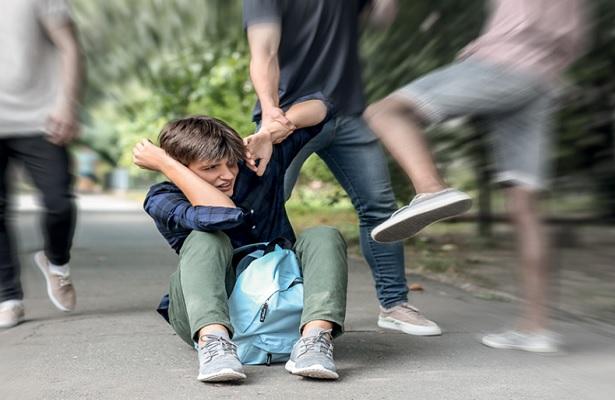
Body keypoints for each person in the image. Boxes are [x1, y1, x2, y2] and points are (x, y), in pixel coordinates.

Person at [364, 0, 588, 352]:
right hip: (542, 80)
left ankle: (431, 190)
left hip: (501, 62)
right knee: (525, 208)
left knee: (385, 112)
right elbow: (574, 39)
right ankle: (536, 328)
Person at [243, 0, 457, 337]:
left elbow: (382, 17)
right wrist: (270, 111)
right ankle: (257, 304)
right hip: (288, 117)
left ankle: (394, 304)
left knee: (379, 208)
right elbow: (263, 51)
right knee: (264, 207)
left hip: (347, 115)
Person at [133, 103, 348, 382]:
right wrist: (165, 162)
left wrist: (268, 134)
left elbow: (323, 109)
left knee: (324, 235)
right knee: (205, 238)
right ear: (179, 170)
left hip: (284, 301)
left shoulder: (256, 164)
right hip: (209, 314)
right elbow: (223, 214)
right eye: (210, 168)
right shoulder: (163, 198)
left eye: (230, 163)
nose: (227, 174)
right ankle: (215, 344)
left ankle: (315, 341)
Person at [0, 0, 83, 328]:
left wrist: (67, 103)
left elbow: (69, 46)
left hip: (41, 118)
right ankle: (8, 296)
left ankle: (56, 262)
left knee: (59, 202)